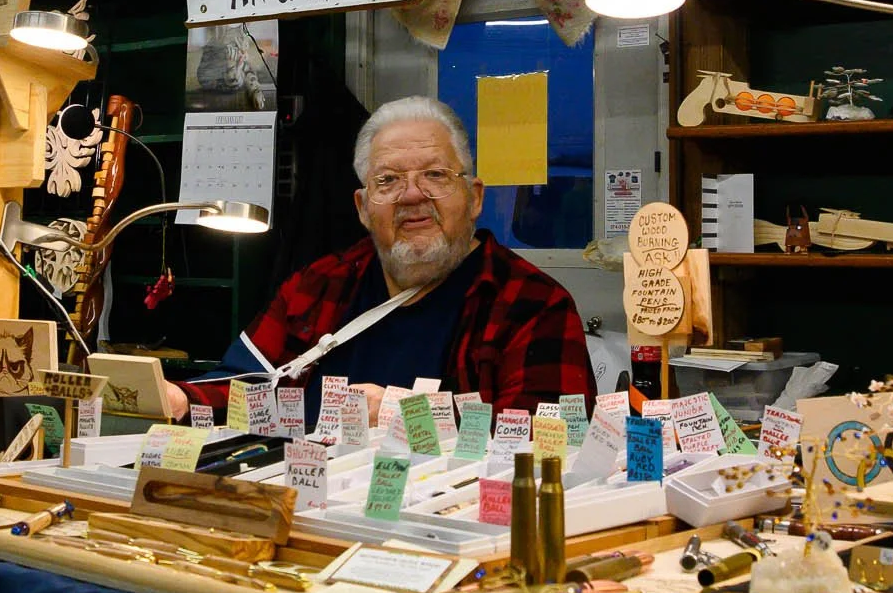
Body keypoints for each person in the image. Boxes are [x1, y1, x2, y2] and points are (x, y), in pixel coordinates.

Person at [165, 95, 595, 423]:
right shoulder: (318, 286)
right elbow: (245, 385)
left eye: (435, 175)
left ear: (475, 197)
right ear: (363, 207)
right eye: (387, 181)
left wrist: (402, 416)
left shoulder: (534, 306)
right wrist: (182, 400)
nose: (412, 195)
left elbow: (550, 441)